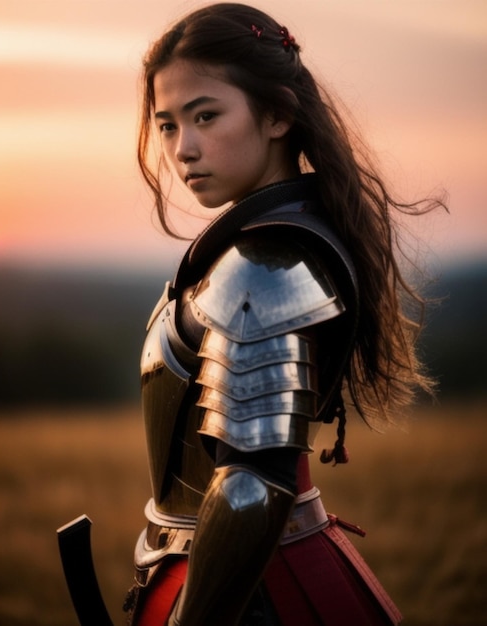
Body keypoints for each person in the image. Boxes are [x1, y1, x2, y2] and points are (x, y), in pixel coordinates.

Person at [124, 4, 444, 625]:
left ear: (277, 114)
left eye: (205, 116)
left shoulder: (263, 271)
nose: (183, 148)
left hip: (257, 592)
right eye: (166, 125)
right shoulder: (262, 249)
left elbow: (251, 487)